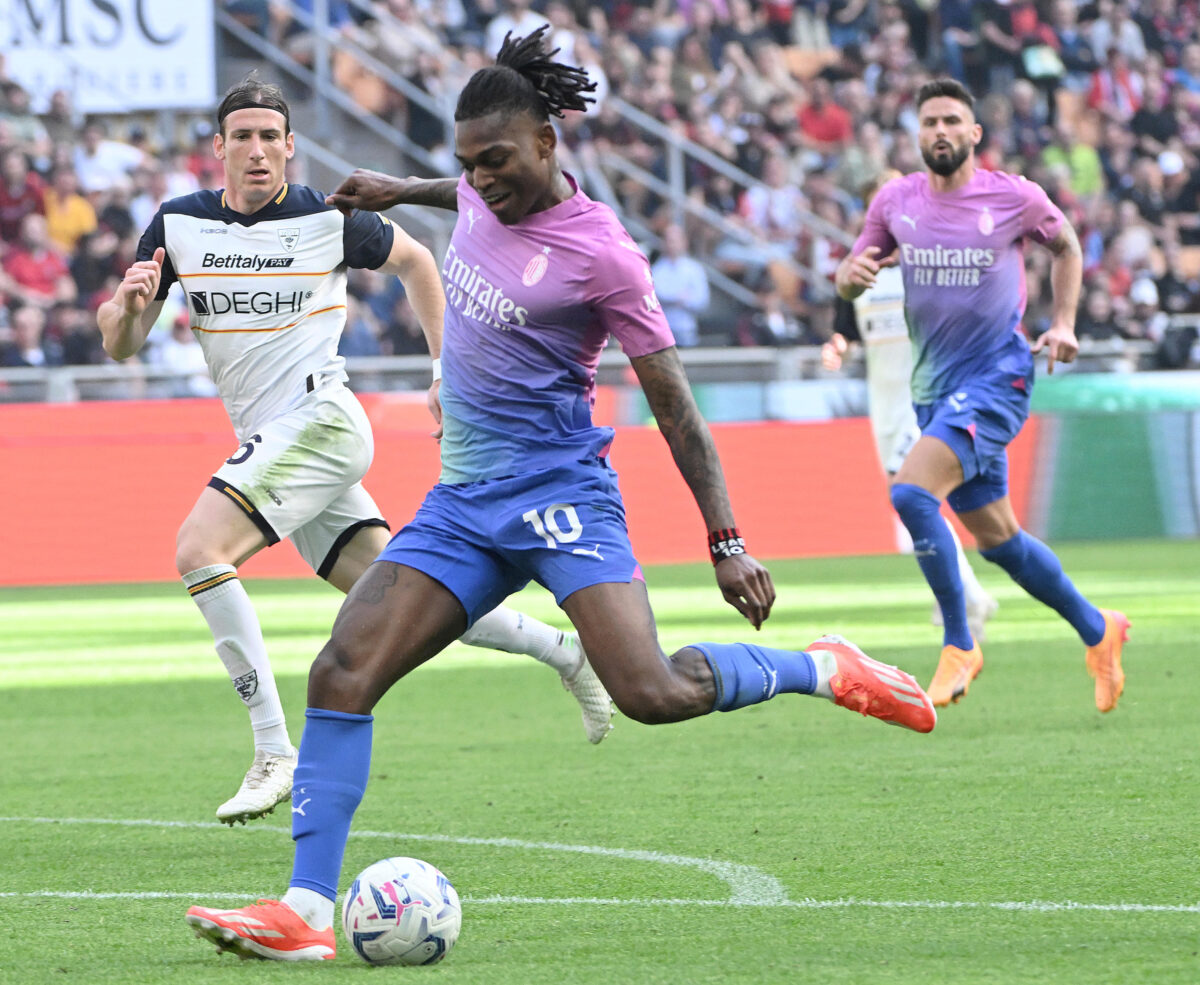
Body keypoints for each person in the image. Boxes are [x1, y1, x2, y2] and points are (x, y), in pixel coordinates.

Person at [184, 29, 937, 963]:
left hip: (560, 496)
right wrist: (397, 189)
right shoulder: (480, 185)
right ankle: (304, 908)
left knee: (651, 691)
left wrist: (727, 539)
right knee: (341, 670)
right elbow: (460, 190)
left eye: (495, 160)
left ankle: (822, 667)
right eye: (467, 163)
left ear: (547, 142)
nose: (479, 180)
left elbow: (677, 409)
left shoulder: (604, 255)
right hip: (465, 504)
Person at [97, 76, 613, 829]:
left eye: (269, 137)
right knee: (402, 597)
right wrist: (127, 306)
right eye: (242, 137)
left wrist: (443, 372)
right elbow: (121, 344)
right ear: (218, 147)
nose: (257, 150)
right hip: (273, 445)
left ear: (289, 146)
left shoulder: (325, 216)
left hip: (321, 422)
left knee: (199, 550)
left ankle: (273, 750)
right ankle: (564, 650)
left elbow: (419, 262)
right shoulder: (178, 224)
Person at [834, 78, 1129, 712]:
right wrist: (849, 276)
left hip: (998, 378)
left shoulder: (1013, 195)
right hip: (934, 391)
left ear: (974, 133)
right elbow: (850, 277)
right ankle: (1099, 629)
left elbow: (1067, 245)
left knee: (911, 494)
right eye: (929, 122)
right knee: (1000, 542)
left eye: (951, 121)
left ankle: (959, 642)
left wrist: (1064, 322)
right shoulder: (894, 202)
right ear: (918, 135)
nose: (939, 131)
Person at [823, 170, 998, 641]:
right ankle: (963, 592)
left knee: (914, 497)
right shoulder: (858, 270)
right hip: (884, 404)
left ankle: (963, 598)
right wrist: (837, 347)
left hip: (926, 397)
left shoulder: (932, 260)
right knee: (913, 502)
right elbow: (846, 331)